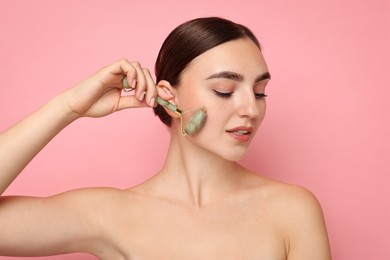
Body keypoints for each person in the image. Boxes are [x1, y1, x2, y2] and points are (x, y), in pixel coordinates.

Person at [0, 17, 331, 259]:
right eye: (224, 90)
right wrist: (68, 106)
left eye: (260, 93)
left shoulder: (291, 210)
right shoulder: (108, 213)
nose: (251, 109)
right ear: (168, 98)